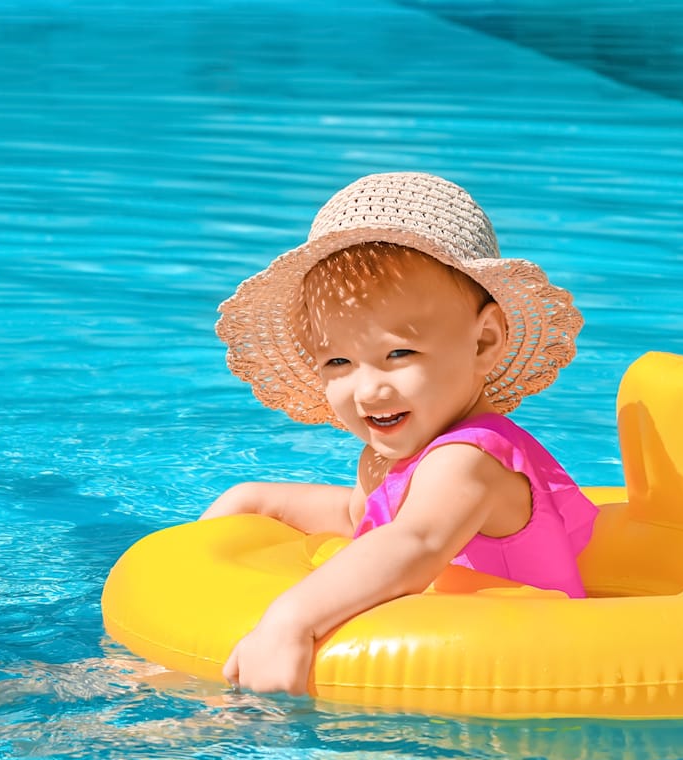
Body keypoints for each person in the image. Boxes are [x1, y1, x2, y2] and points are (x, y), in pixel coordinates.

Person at [202, 172, 598, 696]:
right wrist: (249, 501)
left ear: (484, 342)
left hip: (507, 688)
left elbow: (414, 542)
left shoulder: (472, 460)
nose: (368, 389)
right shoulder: (384, 458)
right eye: (338, 361)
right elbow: (362, 520)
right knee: (250, 498)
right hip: (423, 682)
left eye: (399, 354)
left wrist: (291, 618)